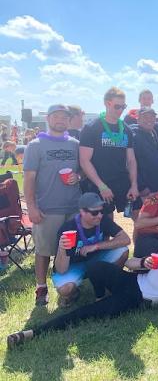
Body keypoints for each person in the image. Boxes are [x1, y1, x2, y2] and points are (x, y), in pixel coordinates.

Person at [7, 241, 158, 349]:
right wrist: (143, 262)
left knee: (87, 312)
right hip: (130, 280)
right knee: (97, 267)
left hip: (136, 300)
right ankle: (100, 295)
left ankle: (32, 333)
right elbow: (129, 264)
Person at [23, 104, 82, 306]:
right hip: (47, 208)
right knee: (44, 250)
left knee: (68, 251)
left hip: (73, 208)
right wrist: (31, 207)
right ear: (48, 119)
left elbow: (83, 169)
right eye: (56, 116)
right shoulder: (36, 145)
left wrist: (78, 176)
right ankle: (41, 288)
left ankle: (65, 287)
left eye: (64, 117)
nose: (60, 120)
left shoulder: (75, 144)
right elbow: (29, 178)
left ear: (69, 120)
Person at [52, 193, 131, 306]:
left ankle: (109, 284)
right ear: (82, 212)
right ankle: (74, 293)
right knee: (65, 290)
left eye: (101, 211)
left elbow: (125, 239)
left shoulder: (103, 220)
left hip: (96, 259)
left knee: (123, 251)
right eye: (94, 213)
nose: (99, 215)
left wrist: (97, 246)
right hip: (74, 265)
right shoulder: (68, 229)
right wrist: (62, 249)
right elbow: (61, 270)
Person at [79, 87, 139, 216]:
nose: (120, 110)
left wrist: (134, 185)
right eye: (117, 106)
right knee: (105, 220)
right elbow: (84, 160)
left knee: (138, 214)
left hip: (122, 181)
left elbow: (131, 160)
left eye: (123, 107)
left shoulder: (126, 129)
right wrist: (101, 186)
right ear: (107, 103)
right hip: (99, 182)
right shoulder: (92, 128)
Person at [131, 107, 158, 200]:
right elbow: (130, 163)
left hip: (156, 186)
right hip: (145, 191)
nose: (149, 120)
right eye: (145, 117)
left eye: (152, 117)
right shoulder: (134, 136)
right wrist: (141, 187)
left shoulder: (153, 133)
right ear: (138, 119)